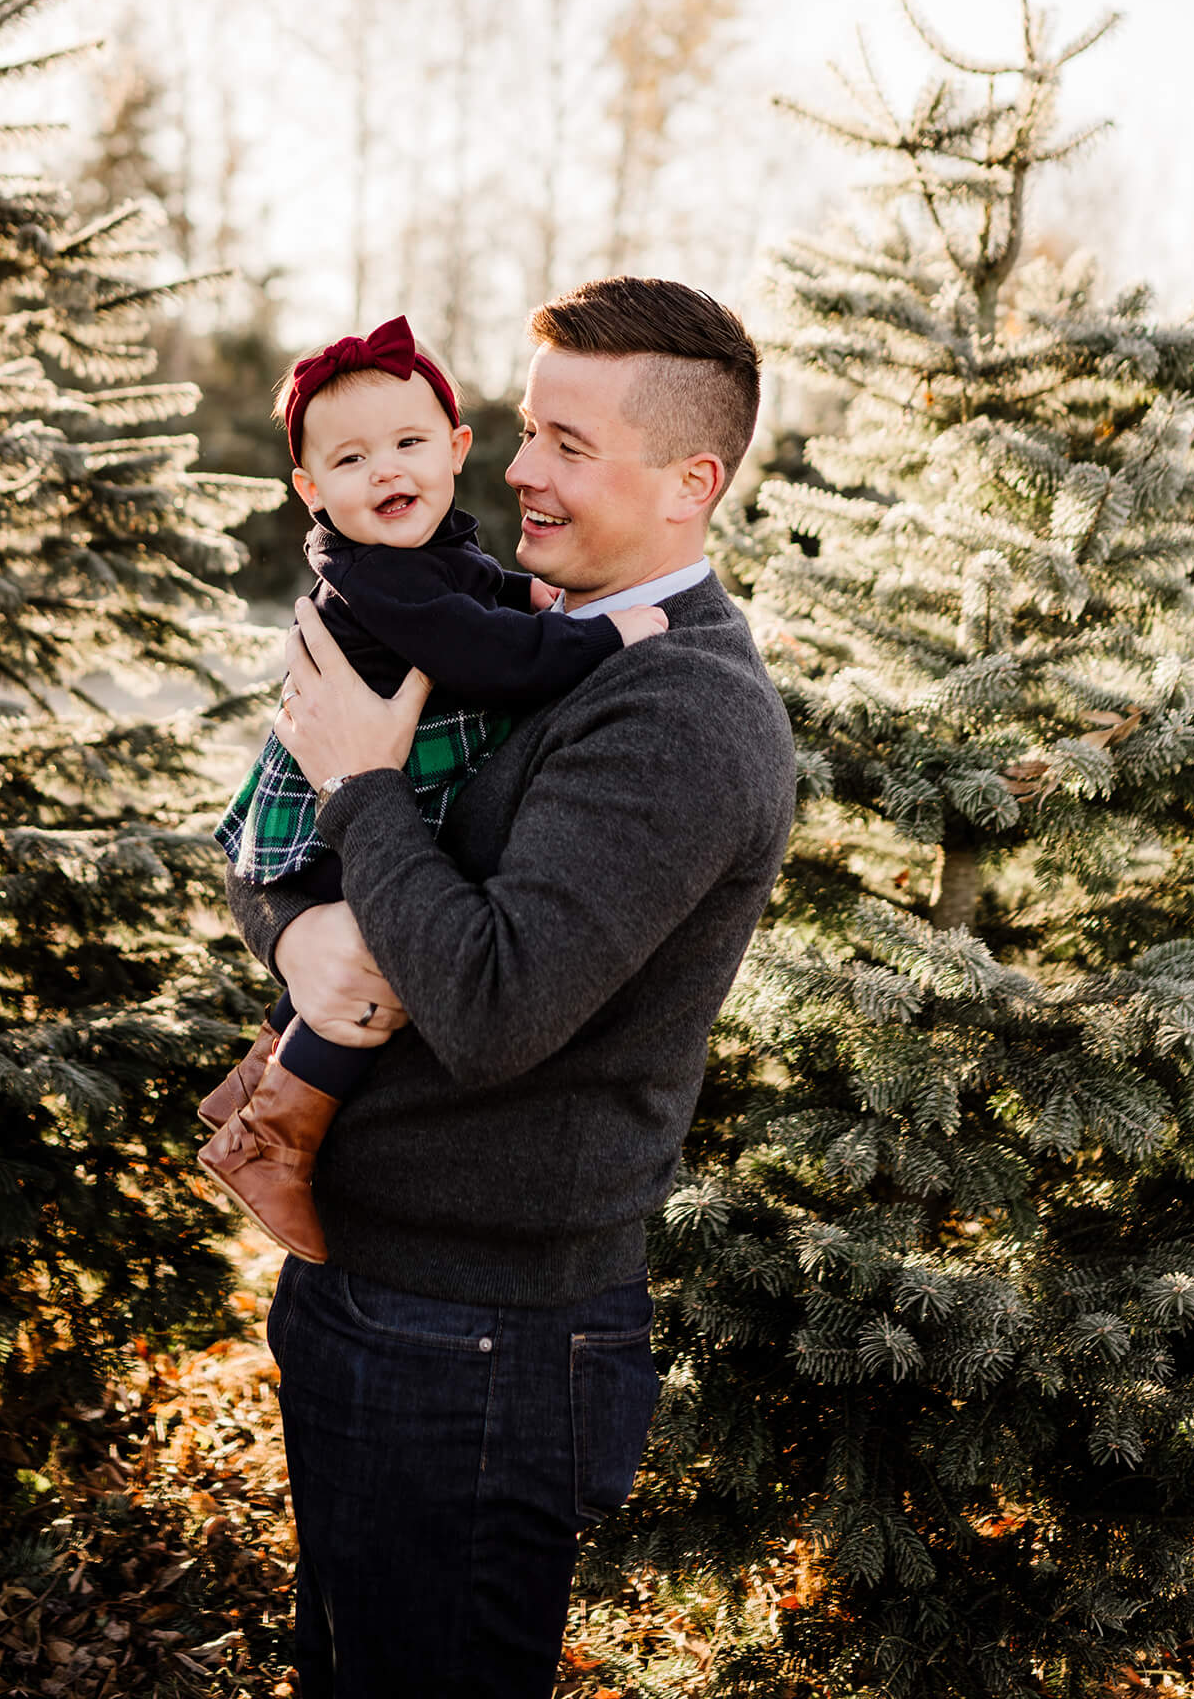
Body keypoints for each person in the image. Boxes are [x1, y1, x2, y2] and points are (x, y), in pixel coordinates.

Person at [224, 276, 796, 1699]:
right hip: (374, 1284)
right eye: (528, 428)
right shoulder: (499, 613)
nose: (520, 469)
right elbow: (270, 808)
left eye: (569, 444)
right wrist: (297, 932)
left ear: (689, 483)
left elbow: (486, 1004)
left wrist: (365, 785)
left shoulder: (680, 714)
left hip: (479, 1335)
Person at [195, 313, 669, 1260]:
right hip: (359, 786)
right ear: (311, 491)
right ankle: (272, 1139)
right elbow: (486, 655)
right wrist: (601, 635)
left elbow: (474, 591)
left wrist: (517, 593)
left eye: (409, 444)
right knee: (372, 954)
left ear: (456, 452)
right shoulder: (371, 575)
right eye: (352, 461)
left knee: (356, 944)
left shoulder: (426, 554)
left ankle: (253, 1083)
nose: (386, 472)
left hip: (389, 767)